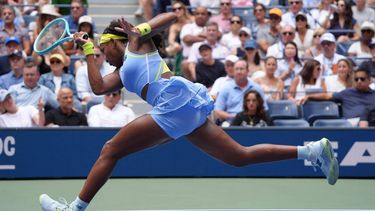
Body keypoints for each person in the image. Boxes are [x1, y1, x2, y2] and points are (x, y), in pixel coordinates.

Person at [39, 13, 339, 211]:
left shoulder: (136, 44)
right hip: (185, 109)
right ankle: (310, 151)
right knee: (239, 157)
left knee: (110, 150)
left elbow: (171, 17)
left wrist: (138, 30)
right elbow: (97, 87)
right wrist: (89, 50)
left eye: (106, 48)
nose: (105, 54)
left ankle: (74, 209)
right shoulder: (119, 73)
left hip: (175, 104)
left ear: (118, 40)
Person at [300, 68, 375, 126]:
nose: (359, 81)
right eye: (356, 79)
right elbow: (327, 96)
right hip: (351, 123)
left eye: (362, 79)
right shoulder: (347, 92)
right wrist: (309, 96)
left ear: (369, 80)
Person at [214, 59, 267, 124]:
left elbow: (264, 109)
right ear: (233, 71)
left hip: (254, 123)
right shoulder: (225, 88)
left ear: (247, 71)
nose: (239, 72)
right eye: (236, 69)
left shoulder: (257, 88)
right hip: (231, 123)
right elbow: (217, 111)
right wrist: (235, 117)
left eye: (241, 69)